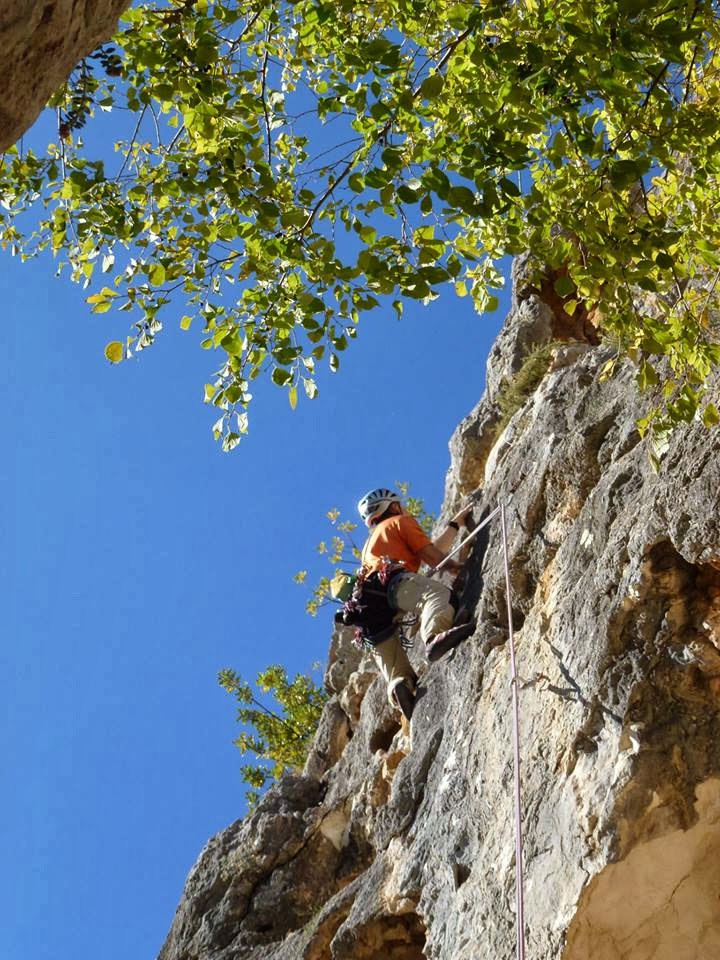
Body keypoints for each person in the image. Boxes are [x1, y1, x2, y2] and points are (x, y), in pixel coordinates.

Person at [356, 487, 475, 721]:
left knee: (396, 670)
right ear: (393, 507)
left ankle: (400, 686)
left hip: (365, 610)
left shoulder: (372, 544)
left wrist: (454, 525)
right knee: (440, 597)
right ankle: (434, 637)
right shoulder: (400, 522)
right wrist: (456, 567)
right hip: (390, 584)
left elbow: (427, 551)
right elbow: (432, 557)